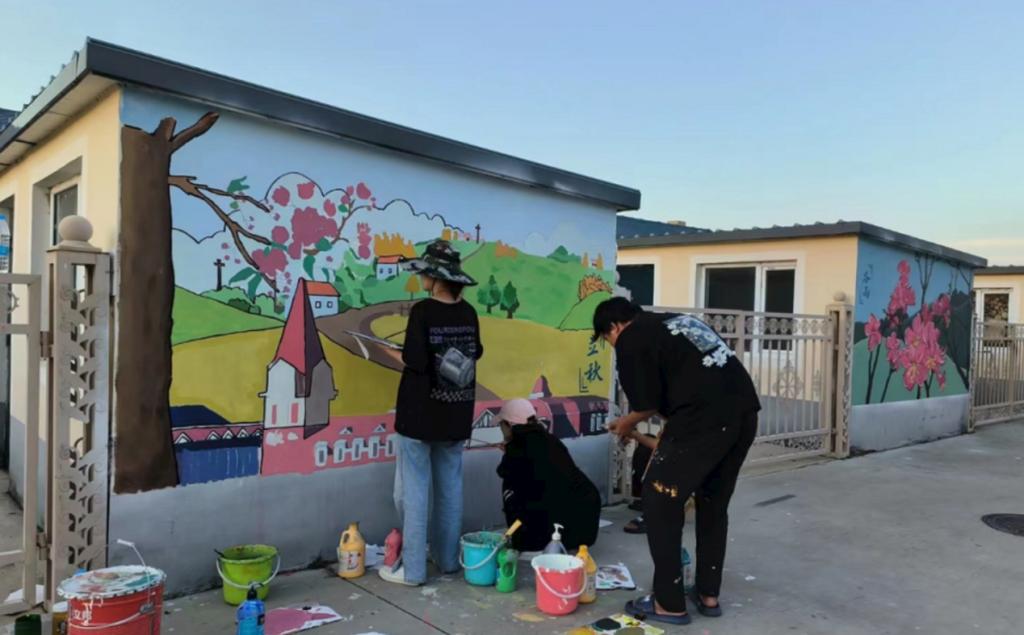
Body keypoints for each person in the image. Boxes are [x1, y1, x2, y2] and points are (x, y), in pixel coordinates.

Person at [594, 297, 761, 626]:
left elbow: (646, 404)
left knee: (659, 502)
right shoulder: (677, 323)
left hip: (703, 420)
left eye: (606, 338)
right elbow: (686, 387)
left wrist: (625, 424)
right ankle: (708, 595)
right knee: (712, 503)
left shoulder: (631, 338)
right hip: (743, 415)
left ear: (613, 327)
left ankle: (669, 604)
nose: (611, 344)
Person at [380, 240, 483, 586]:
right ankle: (449, 561)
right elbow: (475, 353)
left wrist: (389, 353)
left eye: (425, 272)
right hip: (456, 414)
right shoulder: (468, 313)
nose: (422, 277)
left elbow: (416, 360)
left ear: (437, 278)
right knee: (450, 490)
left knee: (415, 493)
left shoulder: (423, 311)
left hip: (419, 416)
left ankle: (413, 571)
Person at [495, 399, 601, 552]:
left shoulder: (517, 446)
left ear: (509, 424)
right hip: (584, 523)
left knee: (511, 489)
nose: (501, 430)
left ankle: (523, 538)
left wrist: (509, 451)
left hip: (549, 530)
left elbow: (504, 471)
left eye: (501, 425)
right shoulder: (550, 439)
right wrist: (510, 451)